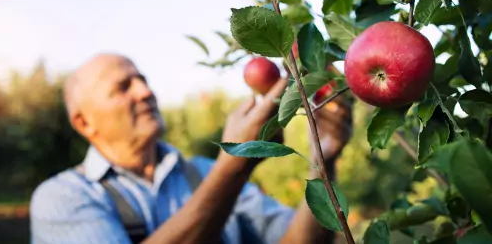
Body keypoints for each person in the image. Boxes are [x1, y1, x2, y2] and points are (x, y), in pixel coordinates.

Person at [29, 52, 353, 244]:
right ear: (84, 122)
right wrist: (233, 164)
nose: (145, 92)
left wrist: (323, 159)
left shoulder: (202, 172)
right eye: (123, 87)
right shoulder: (62, 198)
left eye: (143, 80)